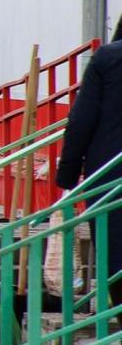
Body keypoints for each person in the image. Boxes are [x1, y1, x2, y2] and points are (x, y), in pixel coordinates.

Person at [56, 35, 122, 325]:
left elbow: (82, 119)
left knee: (116, 255)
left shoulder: (108, 59)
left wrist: (68, 174)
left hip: (109, 175)